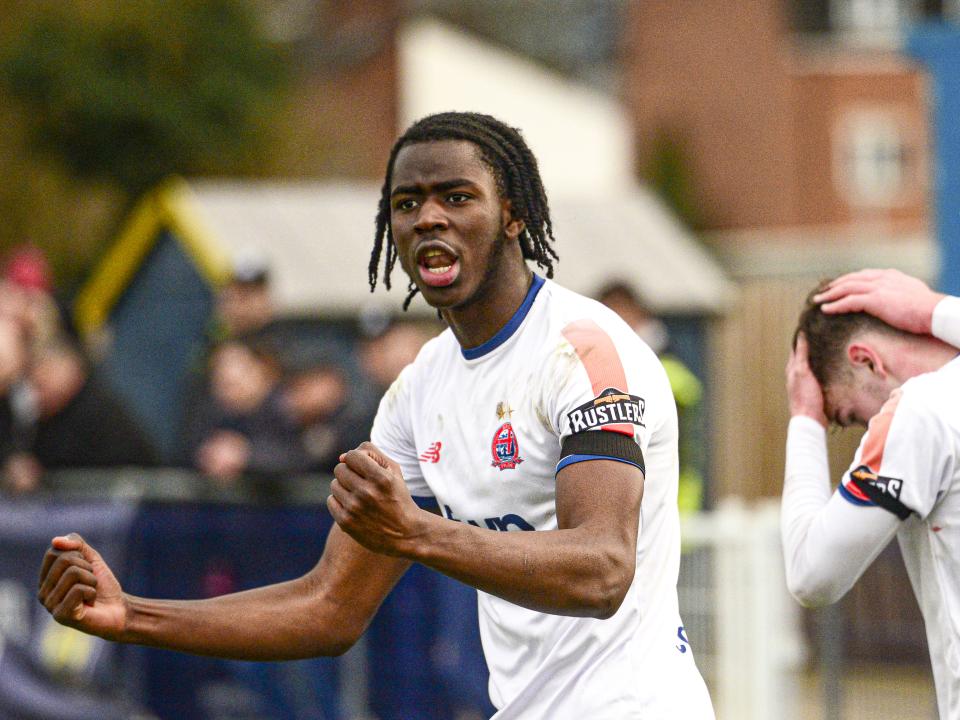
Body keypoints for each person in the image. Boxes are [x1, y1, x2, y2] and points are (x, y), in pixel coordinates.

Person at [37, 112, 714, 718]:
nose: (429, 218)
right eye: (407, 202)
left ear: (514, 214)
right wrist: (132, 615)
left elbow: (601, 568)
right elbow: (329, 606)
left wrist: (417, 533)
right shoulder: (419, 393)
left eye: (456, 196)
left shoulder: (587, 353)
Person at [782, 269, 960, 718]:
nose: (866, 429)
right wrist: (936, 309)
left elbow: (811, 573)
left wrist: (806, 419)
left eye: (852, 416)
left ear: (866, 360)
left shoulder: (922, 410)